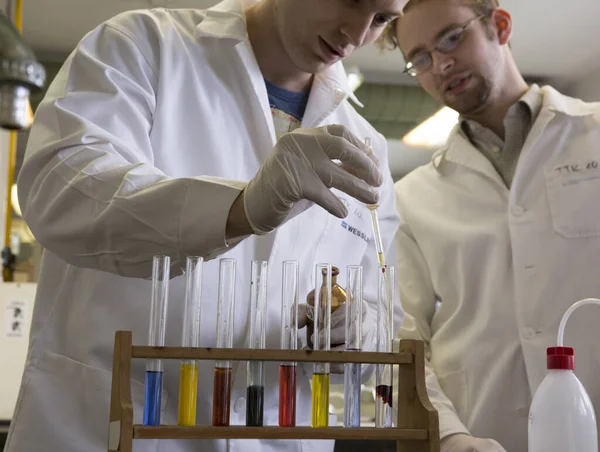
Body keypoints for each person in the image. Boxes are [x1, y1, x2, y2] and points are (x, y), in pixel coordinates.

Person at [5, 1, 407, 452]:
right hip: (103, 429)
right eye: (352, 0)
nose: (356, 33)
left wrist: (359, 333)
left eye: (383, 18)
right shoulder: (142, 46)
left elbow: (383, 312)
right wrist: (237, 208)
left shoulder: (365, 145)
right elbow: (59, 194)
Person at [381, 0, 600, 451]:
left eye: (451, 38)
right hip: (482, 433)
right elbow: (403, 341)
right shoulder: (412, 197)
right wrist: (448, 435)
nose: (441, 63)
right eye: (420, 57)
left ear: (499, 25)